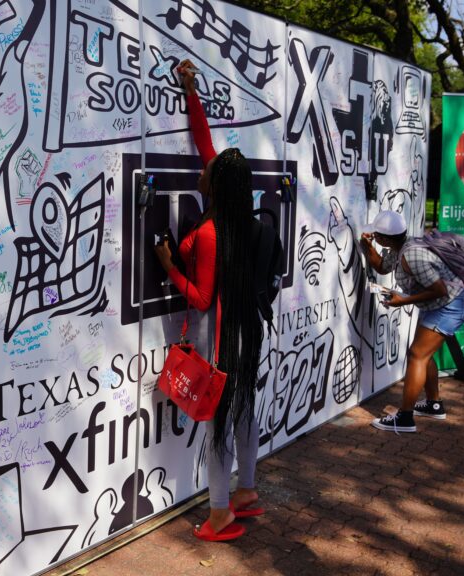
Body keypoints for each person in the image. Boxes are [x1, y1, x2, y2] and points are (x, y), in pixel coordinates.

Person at [152, 60, 263, 542]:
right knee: (242, 411)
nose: (204, 165)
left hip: (219, 341)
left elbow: (199, 297)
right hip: (244, 333)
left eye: (210, 168)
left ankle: (220, 515)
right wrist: (191, 89)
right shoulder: (238, 220)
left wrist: (167, 263)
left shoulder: (213, 232)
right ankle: (247, 492)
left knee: (219, 426)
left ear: (217, 185)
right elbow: (203, 139)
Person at [360, 210, 464, 433]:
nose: (373, 236)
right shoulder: (401, 246)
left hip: (449, 306)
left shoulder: (411, 255)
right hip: (439, 306)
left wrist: (403, 301)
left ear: (384, 237)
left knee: (417, 356)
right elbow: (382, 266)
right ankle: (433, 404)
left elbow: (439, 290)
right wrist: (367, 246)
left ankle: (404, 418)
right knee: (423, 354)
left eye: (375, 234)